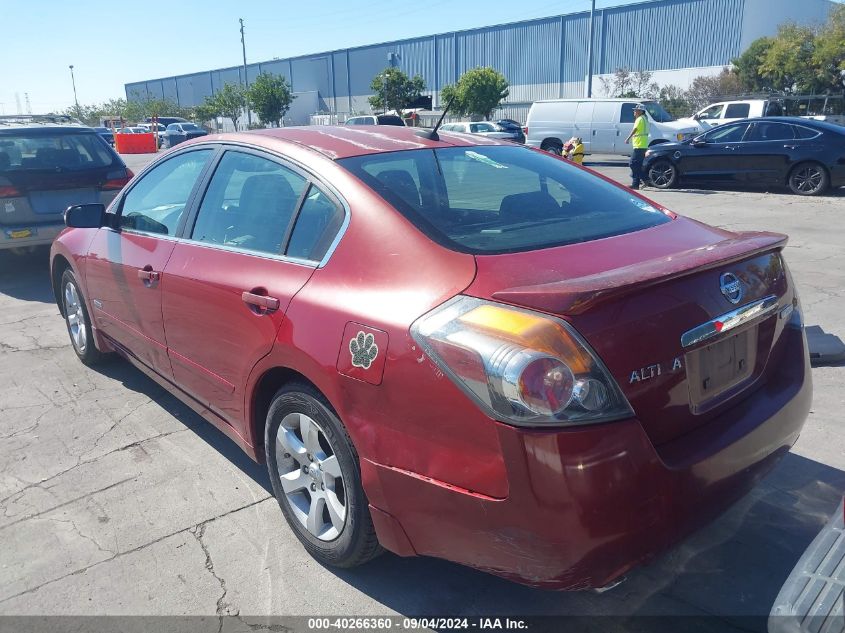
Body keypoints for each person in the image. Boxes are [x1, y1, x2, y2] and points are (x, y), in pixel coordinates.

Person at [624, 104, 649, 189]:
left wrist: (628, 138)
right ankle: (635, 184)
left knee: (632, 164)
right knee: (637, 165)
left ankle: (645, 179)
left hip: (639, 145)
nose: (634, 111)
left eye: (635, 110)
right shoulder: (645, 119)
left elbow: (635, 130)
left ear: (640, 111)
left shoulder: (639, 119)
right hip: (643, 145)